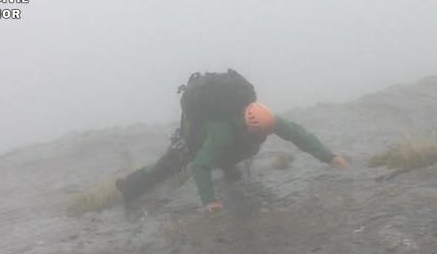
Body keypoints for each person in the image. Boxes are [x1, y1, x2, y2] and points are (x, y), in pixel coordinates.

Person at [116, 70, 349, 214]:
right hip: (195, 143)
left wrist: (330, 157)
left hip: (229, 148)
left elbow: (298, 134)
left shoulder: (262, 118)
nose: (264, 138)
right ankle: (128, 188)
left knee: (233, 170)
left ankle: (229, 170)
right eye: (260, 135)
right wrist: (210, 202)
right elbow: (200, 165)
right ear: (249, 127)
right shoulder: (222, 133)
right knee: (164, 168)